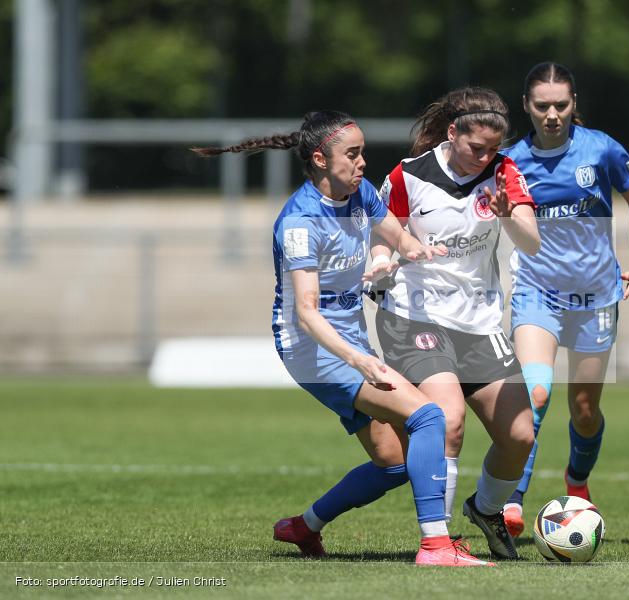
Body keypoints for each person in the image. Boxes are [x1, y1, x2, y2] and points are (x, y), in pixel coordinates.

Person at [191, 111, 492, 567]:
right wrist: (360, 359)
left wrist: (410, 253)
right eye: (352, 154)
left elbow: (399, 238)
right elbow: (307, 312)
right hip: (312, 348)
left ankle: (303, 527)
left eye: (362, 152)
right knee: (430, 418)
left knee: (393, 463)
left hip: (348, 338)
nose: (362, 162)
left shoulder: (361, 194)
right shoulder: (299, 221)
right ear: (320, 159)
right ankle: (436, 547)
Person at [371, 87, 540, 560]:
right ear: (452, 133)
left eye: (492, 149)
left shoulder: (504, 173)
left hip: (478, 321)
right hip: (414, 315)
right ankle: (438, 541)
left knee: (521, 434)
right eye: (475, 148)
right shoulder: (408, 176)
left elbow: (531, 243)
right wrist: (382, 259)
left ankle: (485, 510)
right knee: (448, 419)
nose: (484, 157)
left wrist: (510, 216)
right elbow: (385, 232)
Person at [499, 63, 629, 538]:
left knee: (584, 410)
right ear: (526, 106)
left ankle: (577, 480)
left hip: (596, 299)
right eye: (541, 105)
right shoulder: (510, 161)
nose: (551, 114)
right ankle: (511, 499)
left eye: (560, 105)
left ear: (573, 104)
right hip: (537, 295)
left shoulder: (601, 149)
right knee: (536, 394)